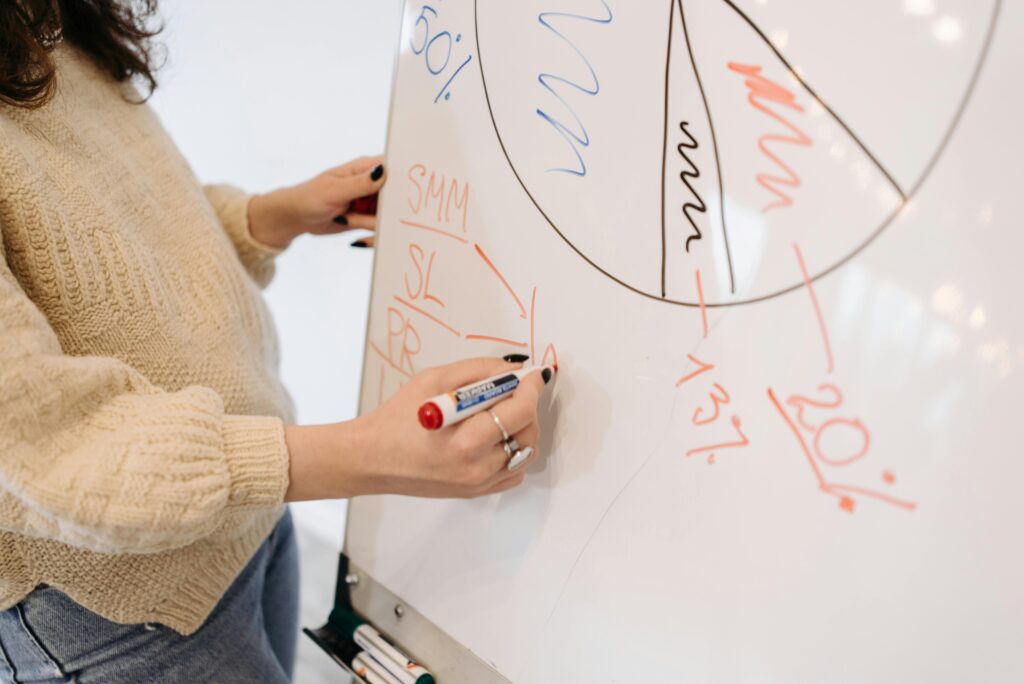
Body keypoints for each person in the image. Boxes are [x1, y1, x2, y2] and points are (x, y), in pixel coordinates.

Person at [0, 2, 550, 682]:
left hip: (244, 504)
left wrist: (266, 216)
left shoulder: (49, 16)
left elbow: (89, 237)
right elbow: (45, 446)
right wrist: (371, 452)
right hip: (112, 602)